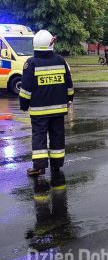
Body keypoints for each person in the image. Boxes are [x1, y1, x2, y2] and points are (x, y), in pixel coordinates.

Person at [19, 30, 74, 180]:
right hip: (58, 109)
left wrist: (24, 105)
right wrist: (70, 98)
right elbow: (69, 84)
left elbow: (25, 89)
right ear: (51, 44)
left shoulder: (31, 63)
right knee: (57, 135)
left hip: (39, 111)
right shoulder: (61, 61)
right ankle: (57, 164)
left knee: (39, 136)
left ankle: (39, 167)